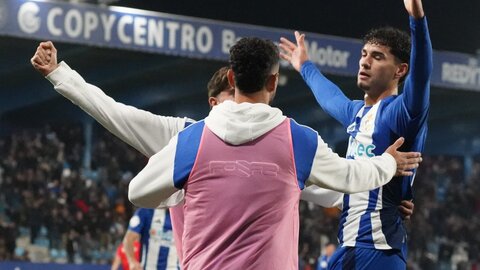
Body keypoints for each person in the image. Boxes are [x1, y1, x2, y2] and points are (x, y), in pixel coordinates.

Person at [31, 40, 415, 267]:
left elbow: (335, 192)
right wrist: (387, 168)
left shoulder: (188, 143)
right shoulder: (289, 139)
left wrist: (382, 201)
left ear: (234, 79)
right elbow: (345, 181)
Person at [279, 0, 432, 268]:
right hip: (349, 247)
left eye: (377, 56)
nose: (365, 61)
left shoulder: (401, 113)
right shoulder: (357, 113)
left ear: (400, 70)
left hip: (378, 251)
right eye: (364, 54)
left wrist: (417, 21)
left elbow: (421, 78)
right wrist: (305, 65)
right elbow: (330, 97)